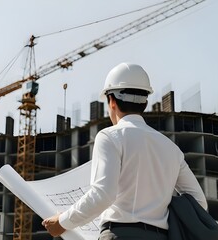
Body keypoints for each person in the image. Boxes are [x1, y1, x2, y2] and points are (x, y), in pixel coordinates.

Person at [42, 62, 207, 239]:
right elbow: (199, 202)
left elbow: (103, 194)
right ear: (145, 102)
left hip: (119, 234)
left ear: (111, 101)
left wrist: (62, 222)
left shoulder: (109, 136)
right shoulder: (172, 149)